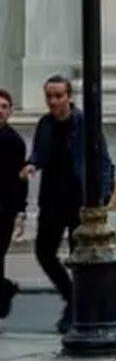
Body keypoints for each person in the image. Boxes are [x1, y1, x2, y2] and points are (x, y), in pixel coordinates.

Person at [20, 75, 114, 334]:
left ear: (69, 96)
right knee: (44, 251)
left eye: (58, 96)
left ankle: (78, 311)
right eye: (49, 96)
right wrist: (32, 164)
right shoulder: (46, 123)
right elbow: (39, 151)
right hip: (52, 198)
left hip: (79, 200)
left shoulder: (84, 123)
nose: (53, 101)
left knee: (78, 256)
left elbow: (103, 159)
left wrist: (102, 197)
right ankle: (72, 297)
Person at [0, 88, 27, 319]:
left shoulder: (15, 142)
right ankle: (4, 290)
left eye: (4, 106)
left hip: (4, 208)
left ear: (10, 112)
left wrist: (21, 212)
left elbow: (21, 180)